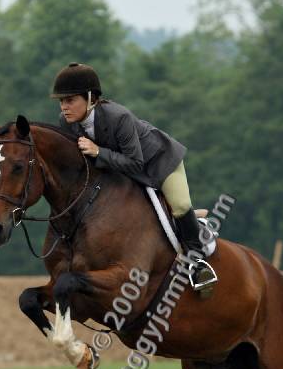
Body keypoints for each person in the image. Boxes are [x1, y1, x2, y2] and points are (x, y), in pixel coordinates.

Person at [52, 62, 217, 291]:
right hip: (120, 172)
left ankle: (198, 262)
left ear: (90, 98)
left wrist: (99, 152)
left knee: (180, 205)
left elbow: (135, 162)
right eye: (61, 101)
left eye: (70, 100)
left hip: (158, 162)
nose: (64, 107)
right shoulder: (67, 123)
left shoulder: (118, 117)